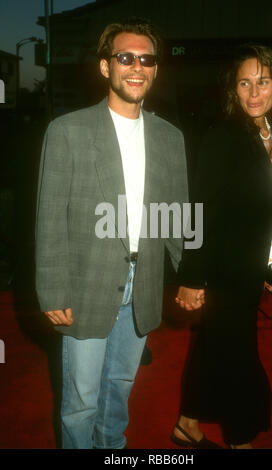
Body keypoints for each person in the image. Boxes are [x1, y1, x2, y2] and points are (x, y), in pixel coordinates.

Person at [35, 18, 188, 449]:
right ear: (106, 67)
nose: (136, 66)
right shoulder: (67, 131)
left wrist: (197, 274)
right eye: (125, 57)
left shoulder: (170, 137)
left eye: (146, 59)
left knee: (119, 386)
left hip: (145, 284)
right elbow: (49, 217)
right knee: (81, 399)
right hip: (86, 283)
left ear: (155, 69)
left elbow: (175, 216)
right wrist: (51, 290)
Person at [172, 44, 272, 449]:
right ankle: (241, 439)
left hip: (251, 271)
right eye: (245, 82)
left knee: (213, 348)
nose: (254, 92)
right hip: (222, 272)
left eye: (262, 81)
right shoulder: (224, 136)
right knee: (239, 360)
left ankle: (187, 424)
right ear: (234, 89)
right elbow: (199, 211)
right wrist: (192, 277)